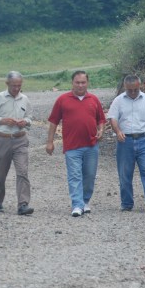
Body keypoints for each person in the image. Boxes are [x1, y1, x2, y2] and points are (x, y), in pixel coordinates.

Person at [46, 71, 106, 217]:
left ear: (87, 83)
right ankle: (77, 204)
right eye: (77, 82)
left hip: (91, 145)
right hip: (72, 146)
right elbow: (53, 121)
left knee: (89, 176)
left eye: (83, 82)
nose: (80, 85)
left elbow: (101, 119)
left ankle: (85, 201)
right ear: (72, 83)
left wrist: (101, 130)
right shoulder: (62, 100)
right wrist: (50, 142)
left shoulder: (93, 99)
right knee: (74, 176)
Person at [107, 75, 145, 211]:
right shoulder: (118, 101)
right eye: (129, 90)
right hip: (125, 140)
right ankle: (127, 203)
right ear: (125, 87)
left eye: (135, 90)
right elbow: (113, 118)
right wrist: (118, 131)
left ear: (139, 86)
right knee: (125, 173)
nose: (132, 92)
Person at [0, 71, 34, 215]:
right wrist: (2, 120)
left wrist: (25, 122)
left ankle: (23, 204)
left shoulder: (25, 99)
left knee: (22, 172)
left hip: (20, 139)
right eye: (14, 86)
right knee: (0, 175)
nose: (16, 88)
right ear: (7, 84)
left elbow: (30, 117)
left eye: (19, 85)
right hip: (3, 139)